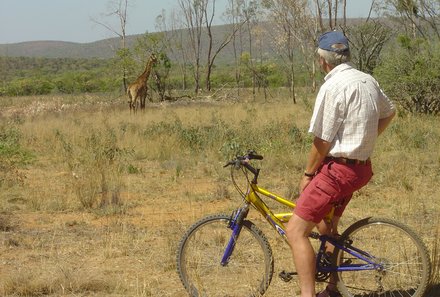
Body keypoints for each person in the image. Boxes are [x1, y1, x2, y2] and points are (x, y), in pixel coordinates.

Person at [286, 31, 396, 297]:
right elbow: (390, 111)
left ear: (322, 61)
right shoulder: (367, 80)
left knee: (295, 230)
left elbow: (321, 141)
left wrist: (308, 173)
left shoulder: (332, 86)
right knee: (326, 226)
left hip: (338, 172)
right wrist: (363, 140)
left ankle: (306, 294)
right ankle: (333, 287)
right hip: (360, 169)